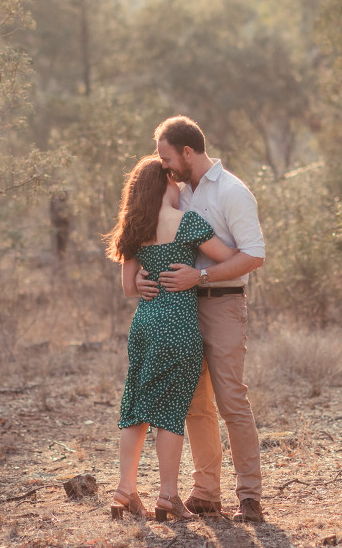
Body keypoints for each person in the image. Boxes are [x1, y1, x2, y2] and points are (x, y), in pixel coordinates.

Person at [138, 116, 267, 523]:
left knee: (231, 400)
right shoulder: (178, 194)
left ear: (187, 152)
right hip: (182, 308)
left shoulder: (232, 191)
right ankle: (206, 493)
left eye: (166, 157)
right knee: (195, 403)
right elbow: (159, 241)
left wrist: (202, 276)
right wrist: (141, 277)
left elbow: (254, 254)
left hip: (223, 304)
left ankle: (250, 497)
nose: (163, 165)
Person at [104, 155, 246, 521]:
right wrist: (198, 268)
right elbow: (229, 257)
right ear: (167, 182)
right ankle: (167, 495)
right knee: (170, 411)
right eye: (174, 180)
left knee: (135, 406)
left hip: (144, 324)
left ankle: (124, 490)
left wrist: (144, 278)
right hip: (178, 326)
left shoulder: (134, 227)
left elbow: (128, 287)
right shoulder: (187, 222)